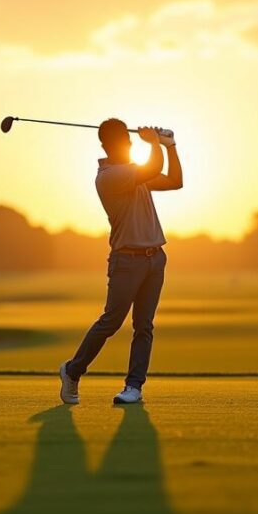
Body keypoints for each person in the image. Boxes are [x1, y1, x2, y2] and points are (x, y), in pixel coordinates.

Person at [59, 118, 182, 405]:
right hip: (126, 261)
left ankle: (134, 387)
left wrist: (170, 146)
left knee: (144, 326)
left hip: (155, 259)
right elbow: (153, 168)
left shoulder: (132, 173)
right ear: (110, 146)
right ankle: (73, 370)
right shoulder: (110, 176)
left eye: (128, 142)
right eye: (124, 142)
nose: (128, 145)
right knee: (111, 322)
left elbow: (175, 181)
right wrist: (153, 143)